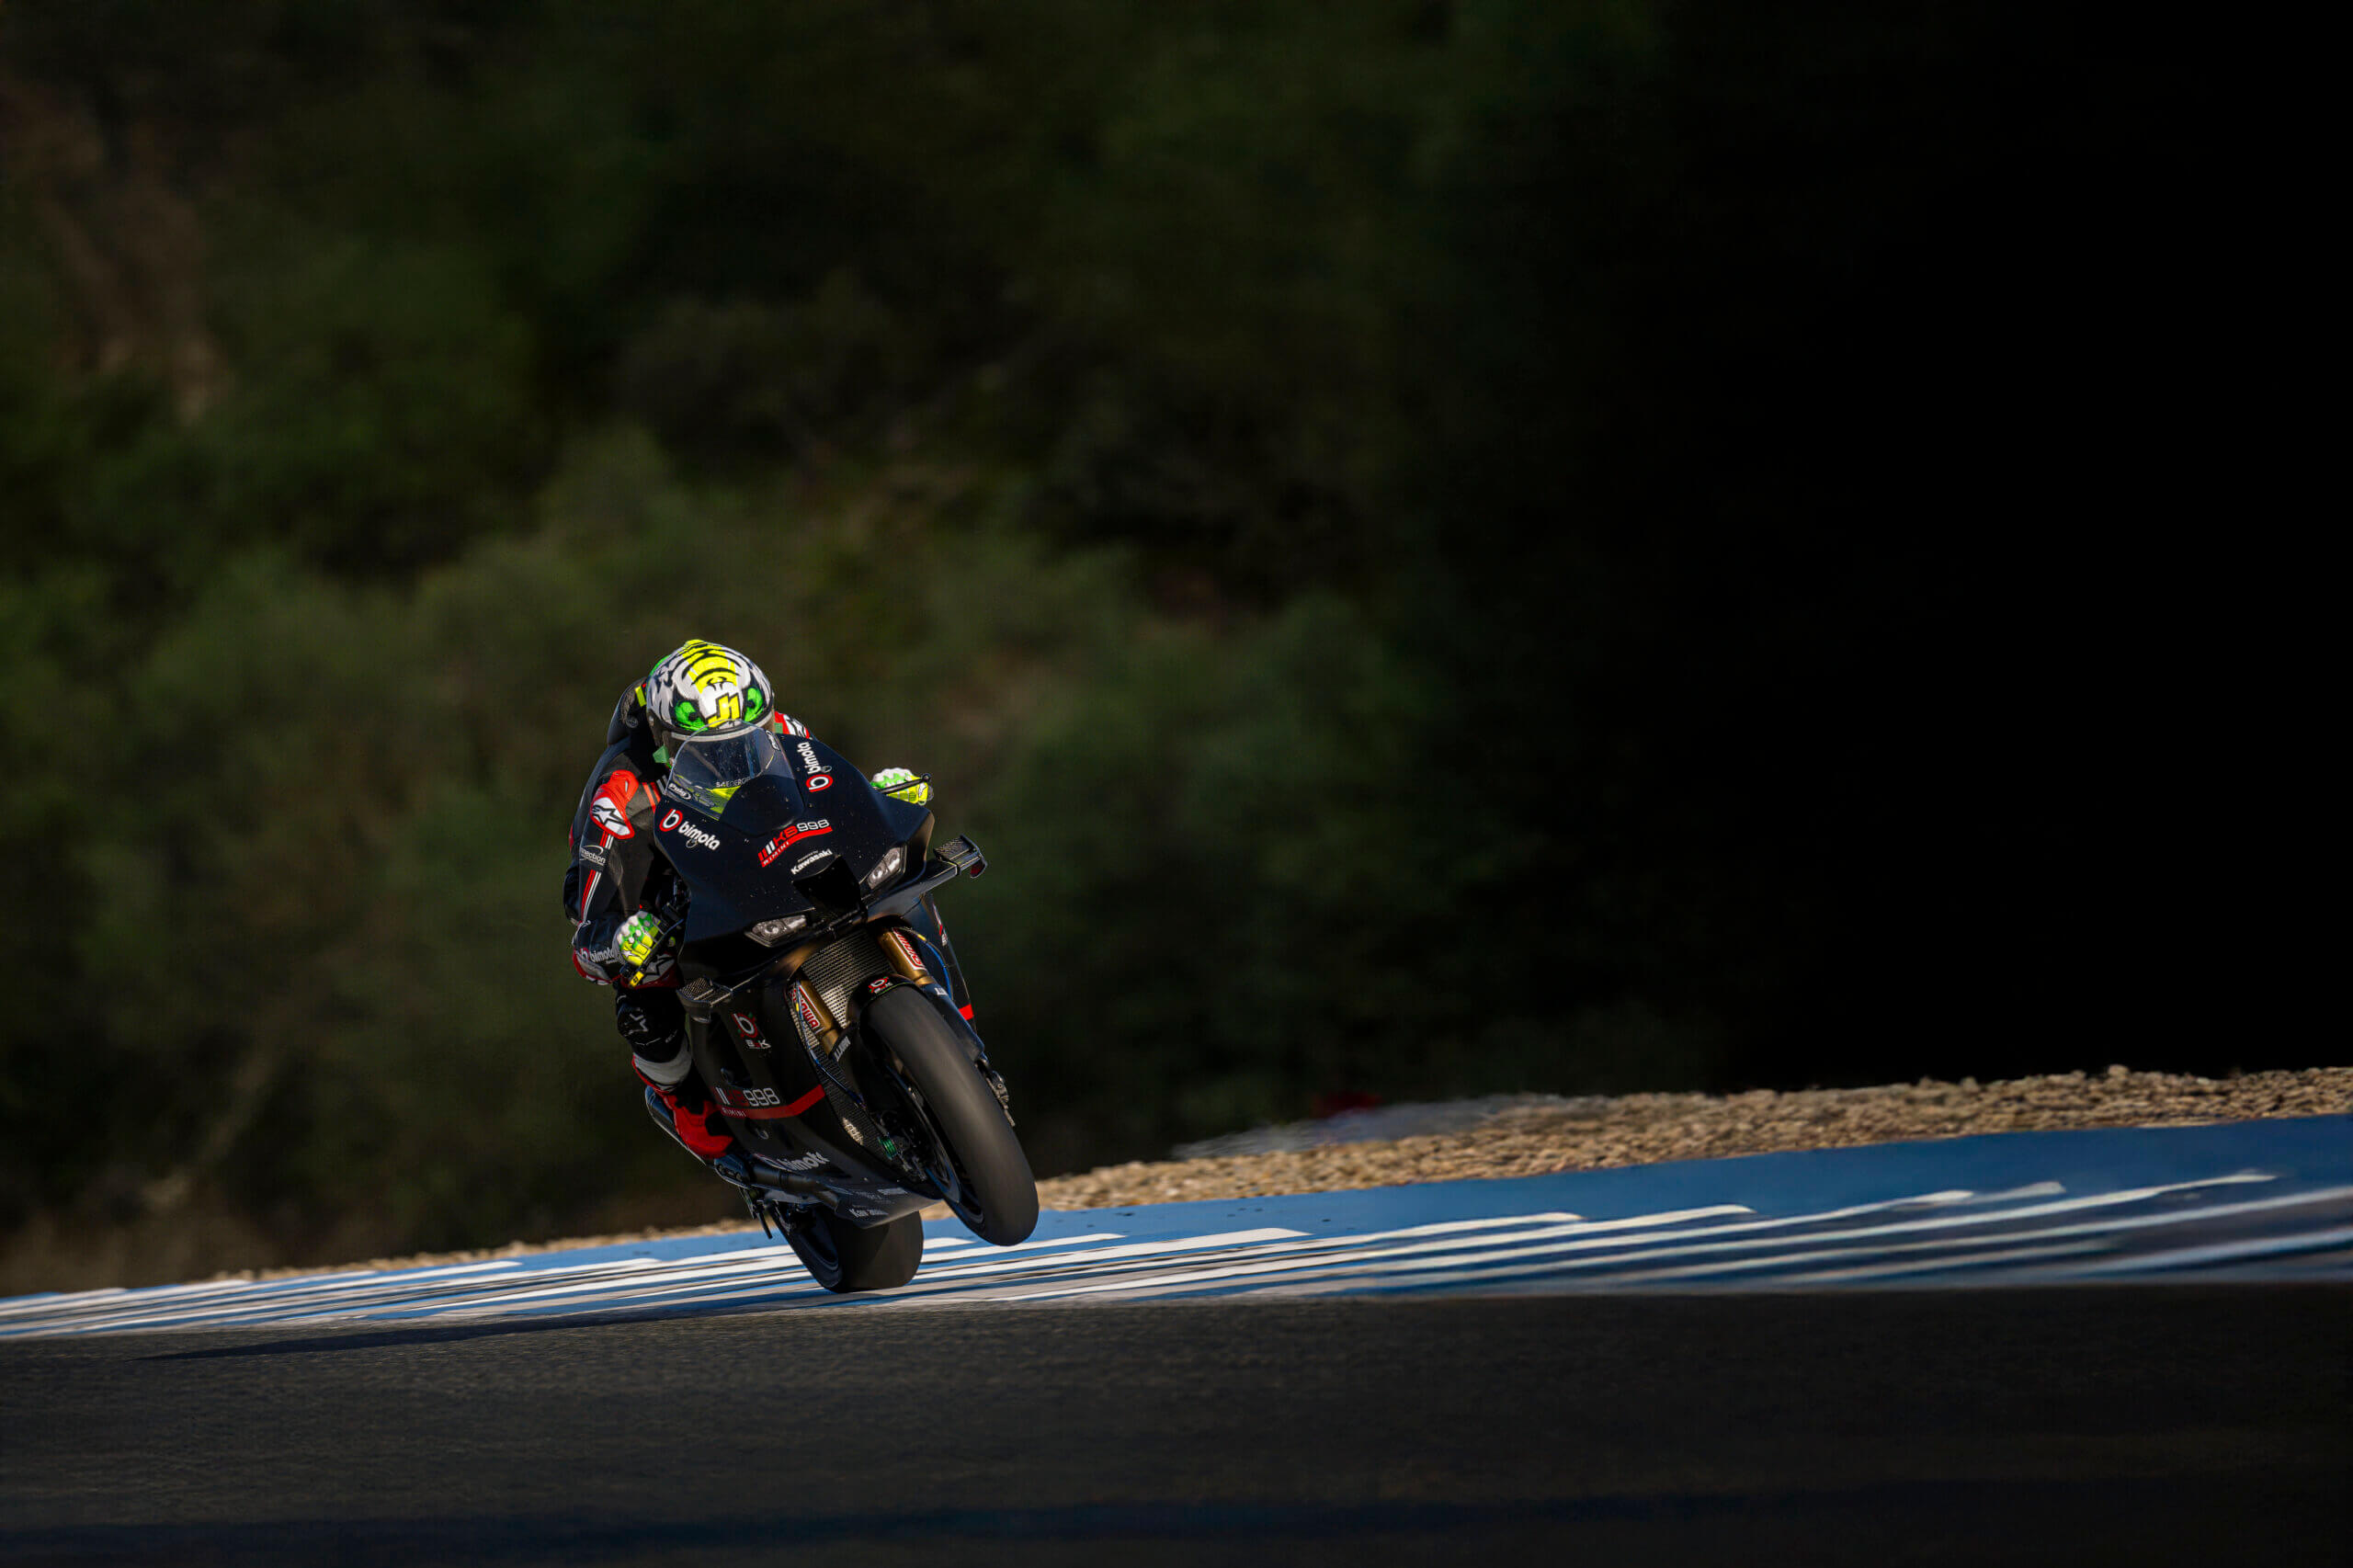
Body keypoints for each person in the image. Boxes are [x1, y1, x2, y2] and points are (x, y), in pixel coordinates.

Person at [563, 639, 932, 1171]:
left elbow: (829, 789)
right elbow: (589, 935)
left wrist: (883, 803)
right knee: (643, 997)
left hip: (761, 862)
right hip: (653, 880)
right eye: (707, 749)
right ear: (667, 739)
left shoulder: (776, 726)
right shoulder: (619, 793)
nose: (732, 756)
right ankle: (686, 1105)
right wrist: (620, 939)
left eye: (747, 739)